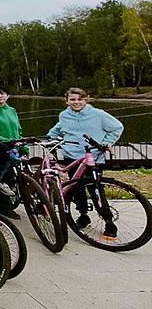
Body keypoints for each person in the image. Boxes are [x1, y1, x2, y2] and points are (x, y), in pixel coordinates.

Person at [47, 87, 124, 239]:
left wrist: (106, 143)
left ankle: (109, 222)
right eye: (72, 100)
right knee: (76, 189)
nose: (76, 103)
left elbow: (117, 127)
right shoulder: (64, 115)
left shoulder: (98, 114)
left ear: (86, 99)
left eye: (80, 99)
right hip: (72, 157)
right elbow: (56, 130)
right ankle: (83, 215)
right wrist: (52, 139)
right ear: (67, 101)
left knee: (96, 190)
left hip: (93, 158)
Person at [0, 86, 23, 217]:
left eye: (2, 94)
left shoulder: (12, 110)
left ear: (8, 96)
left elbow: (18, 129)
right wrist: (7, 140)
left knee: (10, 178)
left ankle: (7, 207)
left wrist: (22, 145)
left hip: (13, 148)